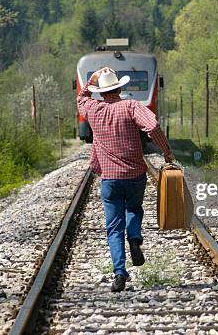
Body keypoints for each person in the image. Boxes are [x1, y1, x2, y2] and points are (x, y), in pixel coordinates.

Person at [77, 67, 174, 292]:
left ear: (100, 93)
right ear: (120, 87)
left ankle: (119, 273)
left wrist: (92, 78)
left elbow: (81, 97)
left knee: (113, 228)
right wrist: (166, 151)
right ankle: (135, 239)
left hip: (109, 179)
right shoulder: (130, 106)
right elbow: (152, 126)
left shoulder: (93, 108)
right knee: (134, 210)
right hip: (134, 175)